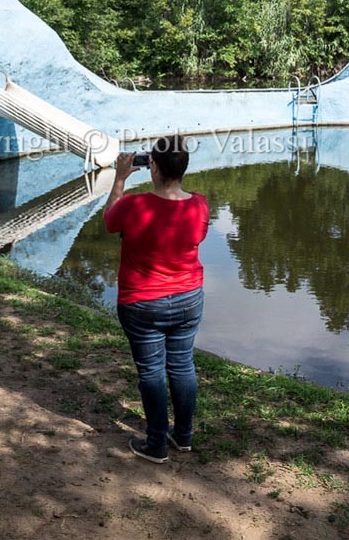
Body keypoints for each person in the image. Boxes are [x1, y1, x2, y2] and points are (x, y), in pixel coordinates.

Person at [103, 135, 210, 463]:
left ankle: (156, 444)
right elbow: (198, 236)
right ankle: (183, 435)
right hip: (188, 298)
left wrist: (119, 178)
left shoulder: (135, 205)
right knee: (182, 365)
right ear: (183, 167)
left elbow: (109, 222)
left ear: (153, 166)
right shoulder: (200, 204)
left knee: (151, 370)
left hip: (142, 302)